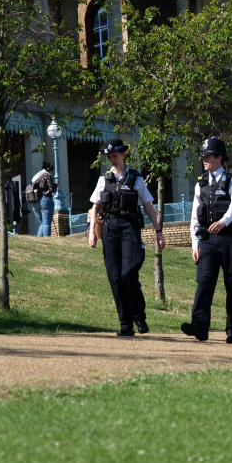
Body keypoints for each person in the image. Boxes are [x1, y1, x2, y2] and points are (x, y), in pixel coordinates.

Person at [88, 139, 165, 336]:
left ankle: (139, 315)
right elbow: (95, 206)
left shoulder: (136, 178)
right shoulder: (104, 179)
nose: (112, 159)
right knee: (115, 277)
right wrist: (92, 234)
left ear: (124, 155)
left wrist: (158, 231)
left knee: (128, 273)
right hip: (110, 228)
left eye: (115, 155)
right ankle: (125, 323)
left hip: (130, 227)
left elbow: (148, 205)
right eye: (110, 156)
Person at [181, 136, 232, 344]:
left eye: (208, 156)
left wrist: (224, 222)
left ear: (219, 157)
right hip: (207, 240)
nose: (204, 159)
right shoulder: (201, 184)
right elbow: (193, 216)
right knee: (204, 281)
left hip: (229, 239)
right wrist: (194, 243)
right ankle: (199, 327)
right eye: (203, 156)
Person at [29, 162, 57, 237]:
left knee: (43, 223)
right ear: (50, 169)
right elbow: (52, 189)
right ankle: (47, 241)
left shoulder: (36, 177)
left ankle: (39, 241)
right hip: (45, 200)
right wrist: (56, 185)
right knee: (47, 223)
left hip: (34, 202)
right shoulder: (46, 175)